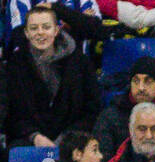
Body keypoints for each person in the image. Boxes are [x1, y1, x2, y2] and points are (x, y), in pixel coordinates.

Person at [3, 5, 99, 149]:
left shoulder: (81, 62)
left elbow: (92, 109)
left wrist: (67, 138)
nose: (40, 33)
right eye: (34, 28)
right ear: (26, 33)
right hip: (29, 141)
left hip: (72, 141)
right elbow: (10, 115)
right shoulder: (14, 65)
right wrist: (34, 136)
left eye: (46, 27)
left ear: (56, 30)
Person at [92, 55, 155, 158]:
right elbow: (102, 158)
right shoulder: (110, 116)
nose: (141, 88)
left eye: (148, 81)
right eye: (136, 81)